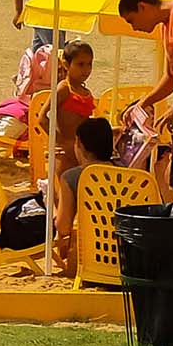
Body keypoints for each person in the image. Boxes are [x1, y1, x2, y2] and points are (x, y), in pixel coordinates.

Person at [121, 0, 173, 201]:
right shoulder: (166, 25)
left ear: (143, 6)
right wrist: (143, 103)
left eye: (132, 20)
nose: (135, 27)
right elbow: (172, 77)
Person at [52, 115, 115, 276]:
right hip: (124, 257)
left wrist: (52, 200)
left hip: (88, 258)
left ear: (79, 143)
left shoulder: (72, 177)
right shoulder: (129, 174)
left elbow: (63, 227)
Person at [50, 41, 96, 179]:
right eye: (80, 64)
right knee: (63, 191)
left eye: (89, 64)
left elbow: (85, 124)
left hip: (82, 152)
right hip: (65, 154)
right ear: (66, 64)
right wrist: (62, 142)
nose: (86, 70)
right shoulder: (64, 89)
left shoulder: (85, 92)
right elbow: (43, 118)